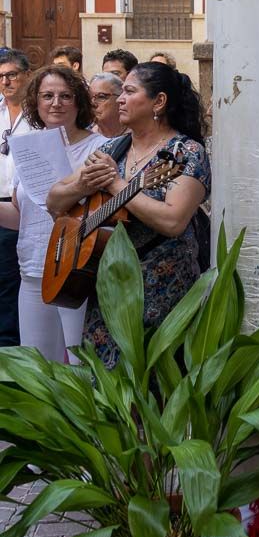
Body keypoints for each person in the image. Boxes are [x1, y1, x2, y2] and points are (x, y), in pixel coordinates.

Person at [49, 62, 210, 369]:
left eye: (129, 91)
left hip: (162, 293)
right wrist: (83, 185)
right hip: (108, 291)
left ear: (158, 102)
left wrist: (116, 184)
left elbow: (174, 221)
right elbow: (54, 200)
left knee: (154, 392)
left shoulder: (184, 153)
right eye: (120, 92)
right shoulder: (113, 149)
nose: (119, 99)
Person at [0, 66, 103, 364]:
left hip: (77, 270)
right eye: (47, 96)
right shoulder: (27, 148)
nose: (55, 103)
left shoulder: (98, 147)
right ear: (36, 101)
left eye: (65, 96)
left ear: (78, 102)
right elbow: (22, 215)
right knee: (39, 368)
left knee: (79, 368)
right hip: (33, 268)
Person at [0, 49, 32, 345]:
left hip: (23, 209)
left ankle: (10, 353)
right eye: (1, 77)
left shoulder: (39, 116)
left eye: (12, 75)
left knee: (11, 287)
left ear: (26, 76)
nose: (6, 82)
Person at [88, 73, 124, 139]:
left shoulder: (135, 136)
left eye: (101, 97)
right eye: (89, 97)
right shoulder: (85, 136)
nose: (92, 103)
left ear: (120, 98)